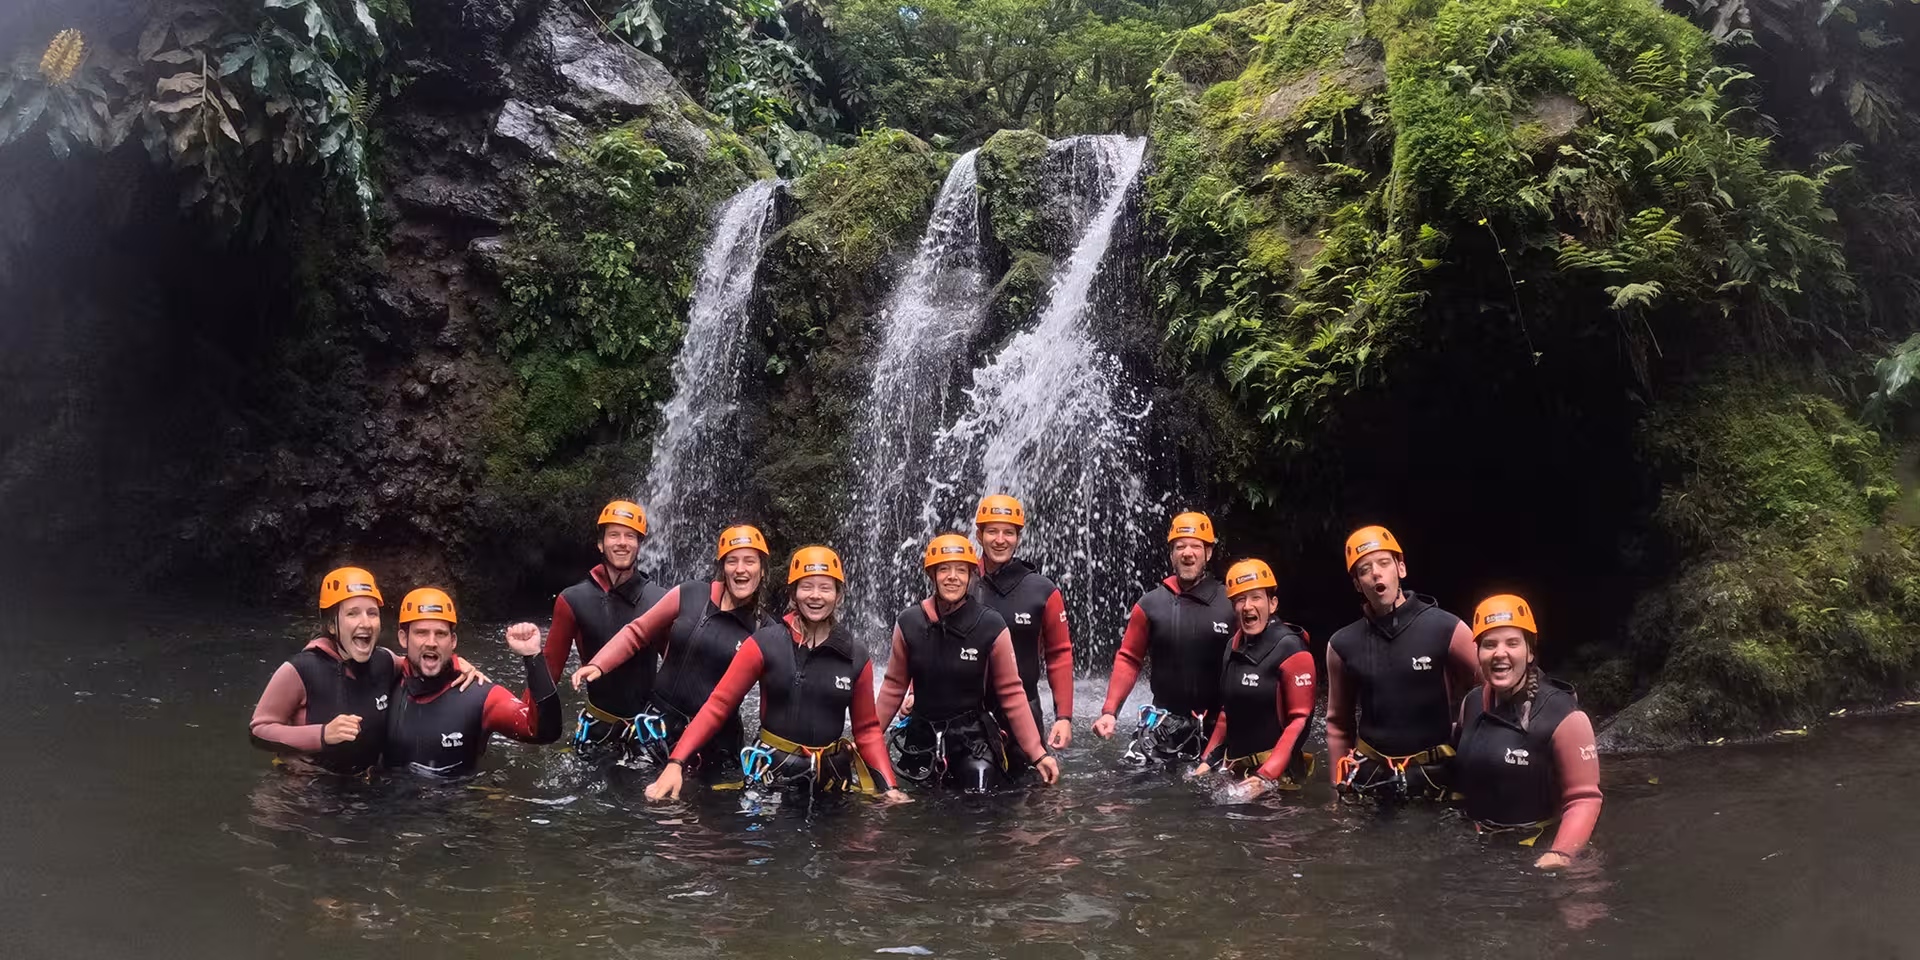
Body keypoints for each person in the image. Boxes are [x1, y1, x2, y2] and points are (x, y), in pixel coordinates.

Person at [645, 546, 911, 806]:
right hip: (771, 779)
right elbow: (719, 705)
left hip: (829, 783)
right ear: (793, 593)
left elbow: (866, 731)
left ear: (838, 595)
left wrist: (889, 787)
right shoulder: (765, 643)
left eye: (825, 588)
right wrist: (676, 763)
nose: (815, 596)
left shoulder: (856, 655)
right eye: (806, 587)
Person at [571, 524, 776, 772]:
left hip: (715, 744)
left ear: (762, 569)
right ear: (722, 567)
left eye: (750, 561)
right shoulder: (690, 593)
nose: (740, 569)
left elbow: (773, 700)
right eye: (732, 561)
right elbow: (637, 632)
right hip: (656, 725)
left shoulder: (765, 632)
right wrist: (599, 663)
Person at [249, 567, 482, 776]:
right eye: (352, 613)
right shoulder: (300, 669)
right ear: (332, 625)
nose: (366, 622)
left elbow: (423, 665)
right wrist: (322, 734)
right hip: (308, 787)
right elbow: (259, 730)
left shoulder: (385, 662)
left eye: (372, 613)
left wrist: (457, 663)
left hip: (366, 788)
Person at [876, 535, 1061, 791]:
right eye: (944, 569)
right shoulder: (909, 623)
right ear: (932, 574)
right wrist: (867, 743)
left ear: (971, 575)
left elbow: (1012, 694)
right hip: (921, 736)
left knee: (979, 800)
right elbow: (893, 687)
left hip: (972, 738)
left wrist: (1038, 754)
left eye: (961, 570)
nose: (953, 577)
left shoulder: (990, 625)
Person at [1325, 525, 1478, 799]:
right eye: (1364, 570)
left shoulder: (1446, 628)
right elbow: (1338, 723)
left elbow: (1492, 687)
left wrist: (1470, 742)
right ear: (1358, 585)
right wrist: (1338, 790)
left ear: (1401, 568)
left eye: (1384, 563)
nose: (1375, 573)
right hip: (1371, 777)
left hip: (1434, 776)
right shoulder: (1342, 644)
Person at [1455, 594, 1602, 869]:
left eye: (1512, 643)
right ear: (1478, 653)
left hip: (1536, 856)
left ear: (1530, 651)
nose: (1500, 653)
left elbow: (1584, 798)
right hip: (1478, 853)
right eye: (1489, 644)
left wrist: (1560, 855)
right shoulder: (1471, 703)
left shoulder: (1564, 714)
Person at [1091, 512, 1235, 763]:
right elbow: (1128, 659)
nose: (1187, 553)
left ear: (1208, 553)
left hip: (1217, 723)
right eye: (1180, 547)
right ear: (1171, 554)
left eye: (1195, 546)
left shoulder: (1230, 604)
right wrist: (1110, 711)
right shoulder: (1150, 604)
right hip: (1165, 720)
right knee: (1131, 778)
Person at [382, 588, 563, 777]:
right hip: (381, 801)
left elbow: (544, 732)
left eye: (441, 634)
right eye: (421, 633)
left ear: (452, 641)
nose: (431, 642)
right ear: (403, 638)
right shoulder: (385, 678)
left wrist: (533, 657)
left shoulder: (481, 695)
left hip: (456, 803)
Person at [542, 500, 672, 761]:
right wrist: (527, 721)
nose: (622, 542)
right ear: (600, 543)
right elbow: (549, 668)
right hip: (596, 727)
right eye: (614, 535)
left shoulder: (660, 601)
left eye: (630, 536)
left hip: (646, 732)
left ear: (639, 545)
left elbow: (677, 666)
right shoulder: (573, 600)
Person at [1190, 559, 1317, 798]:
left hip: (1277, 778)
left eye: (1256, 597)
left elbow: (1299, 722)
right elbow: (1228, 714)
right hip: (1236, 771)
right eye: (1240, 600)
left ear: (1273, 603)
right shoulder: (1232, 646)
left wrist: (1264, 777)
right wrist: (1205, 763)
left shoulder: (1292, 649)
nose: (1248, 606)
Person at [972, 494, 1074, 751]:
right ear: (978, 534)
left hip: (1024, 711)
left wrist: (1064, 717)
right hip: (964, 713)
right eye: (992, 531)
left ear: (1018, 537)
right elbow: (932, 640)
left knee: (1032, 789)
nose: (1000, 540)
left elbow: (1059, 654)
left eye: (1008, 533)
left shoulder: (1042, 590)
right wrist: (915, 693)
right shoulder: (960, 581)